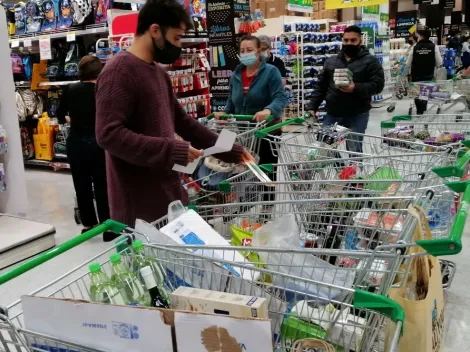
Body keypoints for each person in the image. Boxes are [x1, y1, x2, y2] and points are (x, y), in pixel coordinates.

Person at [95, 0, 252, 227]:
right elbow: (108, 134)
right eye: (177, 38)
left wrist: (232, 151)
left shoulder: (158, 72)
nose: (179, 46)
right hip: (139, 208)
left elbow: (183, 122)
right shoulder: (118, 72)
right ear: (155, 30)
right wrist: (172, 150)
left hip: (167, 196)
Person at [57, 56, 115, 241]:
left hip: (76, 143)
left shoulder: (70, 89)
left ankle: (88, 226)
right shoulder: (103, 90)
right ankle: (108, 228)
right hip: (99, 143)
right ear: (99, 72)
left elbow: (59, 114)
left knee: (81, 186)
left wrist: (71, 119)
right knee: (102, 186)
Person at [306, 25, 385, 154]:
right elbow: (321, 86)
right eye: (346, 40)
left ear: (360, 41)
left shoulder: (371, 61)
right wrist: (312, 107)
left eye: (353, 40)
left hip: (357, 114)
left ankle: (354, 173)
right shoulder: (331, 61)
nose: (349, 43)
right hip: (333, 113)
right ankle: (340, 171)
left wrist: (355, 88)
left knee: (354, 149)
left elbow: (377, 85)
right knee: (324, 148)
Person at [215, 35, 287, 167]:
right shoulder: (236, 74)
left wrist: (268, 110)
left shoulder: (271, 72)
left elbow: (280, 97)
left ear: (259, 52)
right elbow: (232, 100)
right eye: (242, 51)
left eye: (249, 50)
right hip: (243, 133)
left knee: (265, 176)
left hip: (266, 132)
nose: (245, 54)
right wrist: (224, 113)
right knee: (242, 174)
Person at [407, 29, 443, 115]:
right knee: (425, 91)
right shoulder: (434, 46)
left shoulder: (414, 47)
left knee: (417, 92)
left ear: (421, 36)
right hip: (428, 74)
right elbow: (439, 62)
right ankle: (423, 108)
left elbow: (408, 63)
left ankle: (419, 110)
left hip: (416, 75)